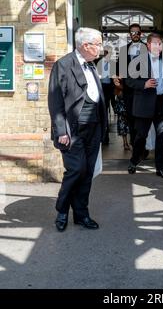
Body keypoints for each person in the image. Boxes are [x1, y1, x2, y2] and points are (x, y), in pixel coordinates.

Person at [48, 27, 107, 232]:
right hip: (72, 130)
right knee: (76, 170)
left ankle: (82, 214)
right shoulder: (63, 65)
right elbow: (55, 101)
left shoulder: (91, 65)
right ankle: (62, 211)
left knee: (87, 172)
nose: (101, 47)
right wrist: (61, 131)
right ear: (86, 45)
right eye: (98, 44)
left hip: (94, 128)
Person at [126, 33, 163, 179]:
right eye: (156, 43)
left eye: (161, 44)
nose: (159, 47)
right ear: (148, 45)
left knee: (161, 137)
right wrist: (143, 84)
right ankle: (134, 160)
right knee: (141, 136)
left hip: (161, 104)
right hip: (144, 103)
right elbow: (128, 81)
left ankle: (160, 168)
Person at [114, 23, 146, 146]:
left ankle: (142, 146)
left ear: (141, 34)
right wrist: (116, 79)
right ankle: (134, 145)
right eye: (132, 33)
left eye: (137, 32)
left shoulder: (147, 48)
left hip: (144, 90)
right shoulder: (123, 50)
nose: (135, 35)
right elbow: (118, 70)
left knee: (142, 120)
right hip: (128, 91)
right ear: (129, 35)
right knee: (131, 119)